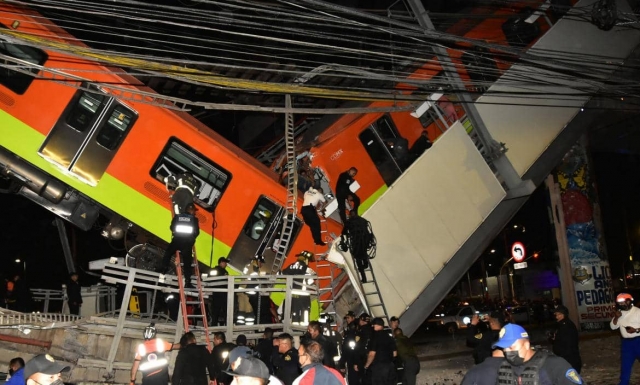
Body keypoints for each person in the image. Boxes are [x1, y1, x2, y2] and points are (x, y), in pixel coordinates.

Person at [460, 323, 583, 385]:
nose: (508, 352)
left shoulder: (554, 365)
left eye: (511, 346)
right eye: (504, 348)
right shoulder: (503, 368)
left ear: (527, 344)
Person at [162, 203, 200, 287]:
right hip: (187, 243)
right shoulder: (194, 219)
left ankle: (163, 269)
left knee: (168, 253)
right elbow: (197, 232)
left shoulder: (177, 216)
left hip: (177, 240)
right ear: (191, 210)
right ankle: (187, 282)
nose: (195, 213)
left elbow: (172, 227)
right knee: (187, 263)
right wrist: (192, 239)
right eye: (194, 211)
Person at [610, 292, 640, 385]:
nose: (621, 304)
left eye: (623, 302)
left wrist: (636, 330)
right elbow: (613, 327)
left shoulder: (638, 312)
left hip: (638, 341)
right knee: (625, 368)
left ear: (629, 301)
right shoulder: (619, 313)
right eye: (619, 303)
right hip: (626, 344)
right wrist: (616, 317)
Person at [340, 210, 374, 283]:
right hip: (366, 241)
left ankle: (364, 278)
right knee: (364, 254)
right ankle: (365, 264)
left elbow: (344, 232)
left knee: (358, 258)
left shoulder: (349, 222)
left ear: (350, 215)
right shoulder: (363, 220)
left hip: (357, 243)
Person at [282, 251, 314, 325]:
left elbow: (282, 273)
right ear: (305, 259)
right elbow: (310, 281)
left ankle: (293, 330)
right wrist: (314, 285)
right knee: (304, 315)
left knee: (294, 314)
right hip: (303, 296)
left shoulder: (291, 266)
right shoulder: (306, 268)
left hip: (292, 295)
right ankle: (302, 330)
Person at [364, 318, 397, 385]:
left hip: (379, 367)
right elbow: (395, 354)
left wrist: (366, 366)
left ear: (377, 325)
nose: (372, 326)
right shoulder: (389, 336)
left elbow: (372, 354)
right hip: (390, 366)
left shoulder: (374, 336)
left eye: (374, 325)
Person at [549, 305, 582, 373]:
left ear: (564, 314)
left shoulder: (566, 326)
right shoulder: (561, 325)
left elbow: (568, 344)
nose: (557, 316)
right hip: (566, 359)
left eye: (559, 314)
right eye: (556, 314)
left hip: (569, 360)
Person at [210, 257, 230, 326]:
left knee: (224, 312)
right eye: (225, 263)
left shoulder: (226, 272)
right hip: (217, 294)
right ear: (221, 262)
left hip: (223, 294)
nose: (226, 264)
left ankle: (225, 326)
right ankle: (214, 327)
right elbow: (211, 280)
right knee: (216, 312)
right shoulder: (215, 270)